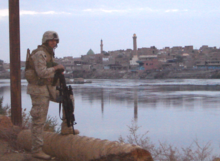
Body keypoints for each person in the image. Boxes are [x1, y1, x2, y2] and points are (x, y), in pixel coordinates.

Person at [25, 31, 79, 160]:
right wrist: (56, 69)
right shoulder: (40, 54)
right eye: (51, 41)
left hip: (48, 87)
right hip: (39, 89)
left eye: (55, 41)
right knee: (39, 120)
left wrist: (57, 70)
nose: (53, 43)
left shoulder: (49, 54)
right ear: (45, 41)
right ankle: (36, 150)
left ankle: (66, 127)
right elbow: (42, 73)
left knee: (68, 99)